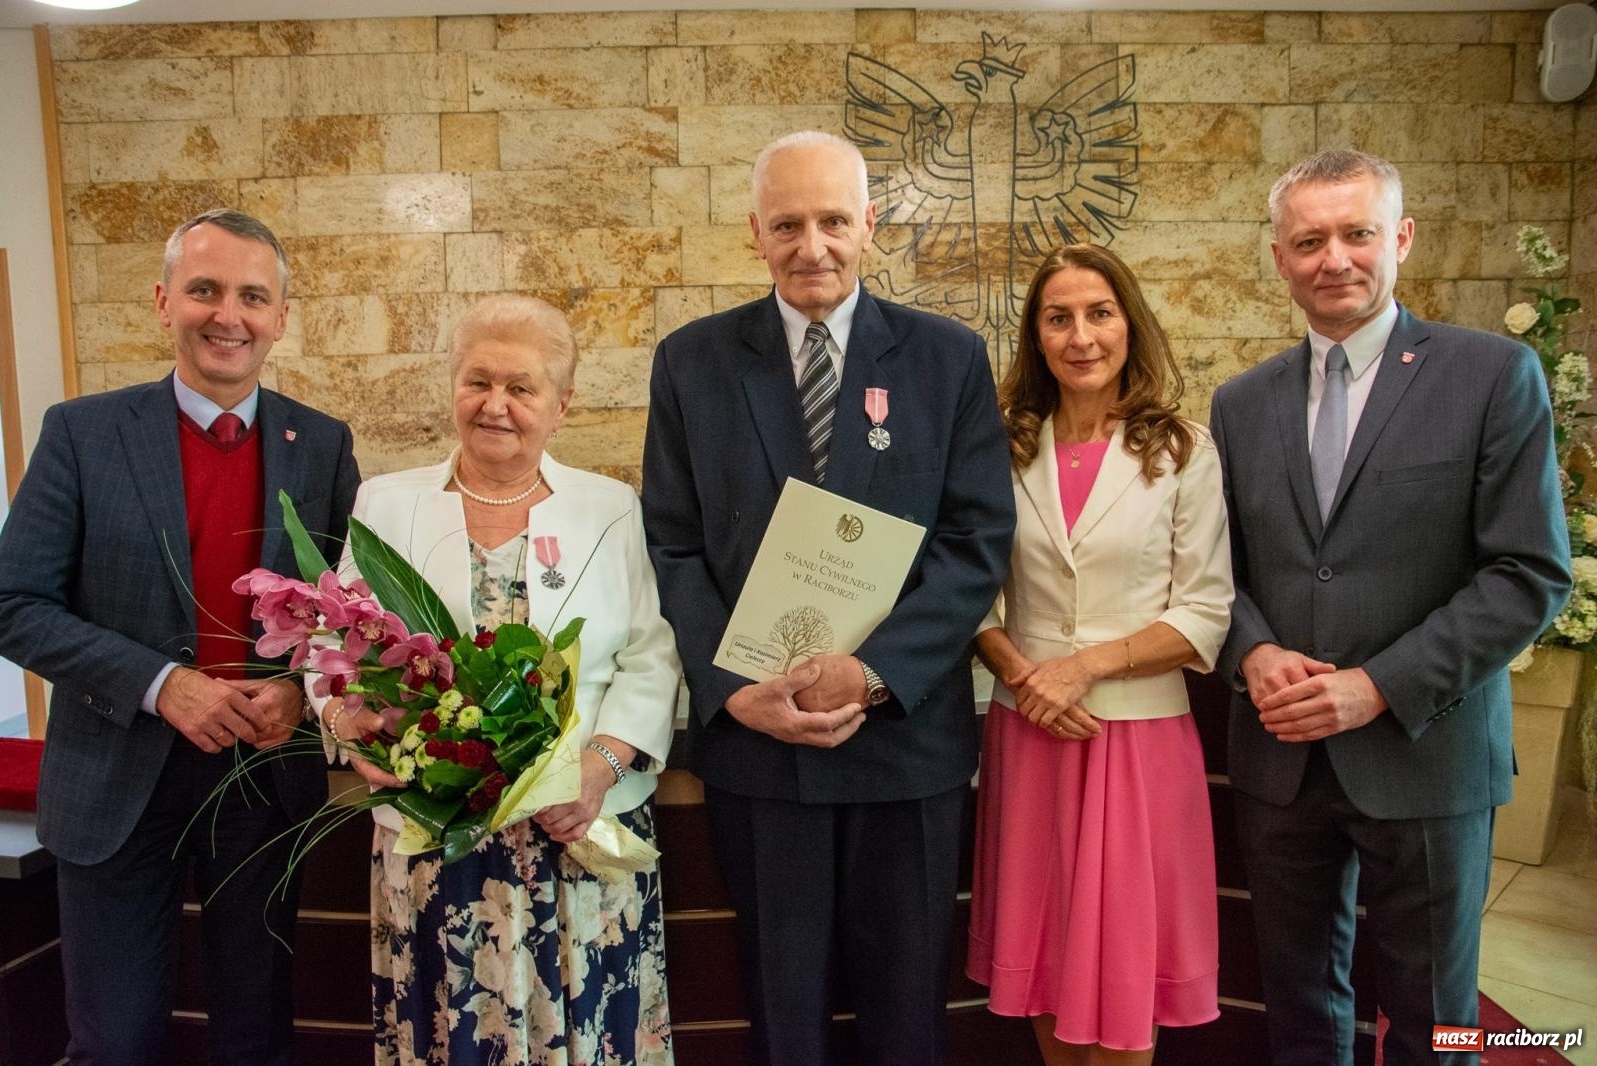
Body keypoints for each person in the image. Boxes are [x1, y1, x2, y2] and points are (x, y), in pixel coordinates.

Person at [641, 129, 1014, 1066]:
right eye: (789, 224)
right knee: (783, 1013)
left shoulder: (947, 358)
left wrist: (874, 670)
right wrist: (733, 688)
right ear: (754, 234)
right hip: (761, 751)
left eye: (834, 221)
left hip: (906, 749)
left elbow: (977, 542)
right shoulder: (692, 362)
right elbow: (674, 545)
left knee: (904, 1017)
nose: (813, 246)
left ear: (870, 226)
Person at [1209, 149, 1572, 1065]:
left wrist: (1377, 686)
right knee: (1295, 999)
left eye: (1357, 233)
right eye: (1309, 240)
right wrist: (1251, 654)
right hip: (1281, 756)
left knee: (1437, 1015)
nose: (1334, 258)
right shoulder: (1241, 404)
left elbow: (1527, 572)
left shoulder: (1493, 375)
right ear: (1280, 256)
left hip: (1427, 750)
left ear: (1400, 238)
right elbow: (1219, 571)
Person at [0, 208, 359, 1065]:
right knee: (114, 1041)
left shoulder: (325, 445)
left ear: (278, 317)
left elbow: (349, 615)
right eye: (204, 289)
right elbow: (13, 602)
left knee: (254, 1036)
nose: (226, 314)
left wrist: (299, 688)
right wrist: (165, 684)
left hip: (263, 785)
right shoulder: (81, 434)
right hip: (115, 783)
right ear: (164, 302)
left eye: (251, 296)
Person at [320, 293, 680, 1066]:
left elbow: (653, 656)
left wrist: (599, 768)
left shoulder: (612, 509)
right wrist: (347, 724)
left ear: (562, 405)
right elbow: (335, 645)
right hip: (437, 846)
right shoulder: (386, 503)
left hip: (577, 836)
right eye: (477, 381)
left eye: (522, 387)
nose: (496, 405)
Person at [966, 244, 1233, 1066]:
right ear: (1036, 338)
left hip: (1139, 745)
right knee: (1045, 971)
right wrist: (1023, 675)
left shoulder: (1184, 450)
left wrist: (1084, 667)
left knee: (1121, 983)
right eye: (1058, 318)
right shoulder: (1000, 449)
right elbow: (969, 591)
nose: (1081, 335)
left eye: (1099, 313)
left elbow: (1205, 612)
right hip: (1030, 738)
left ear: (1129, 325)